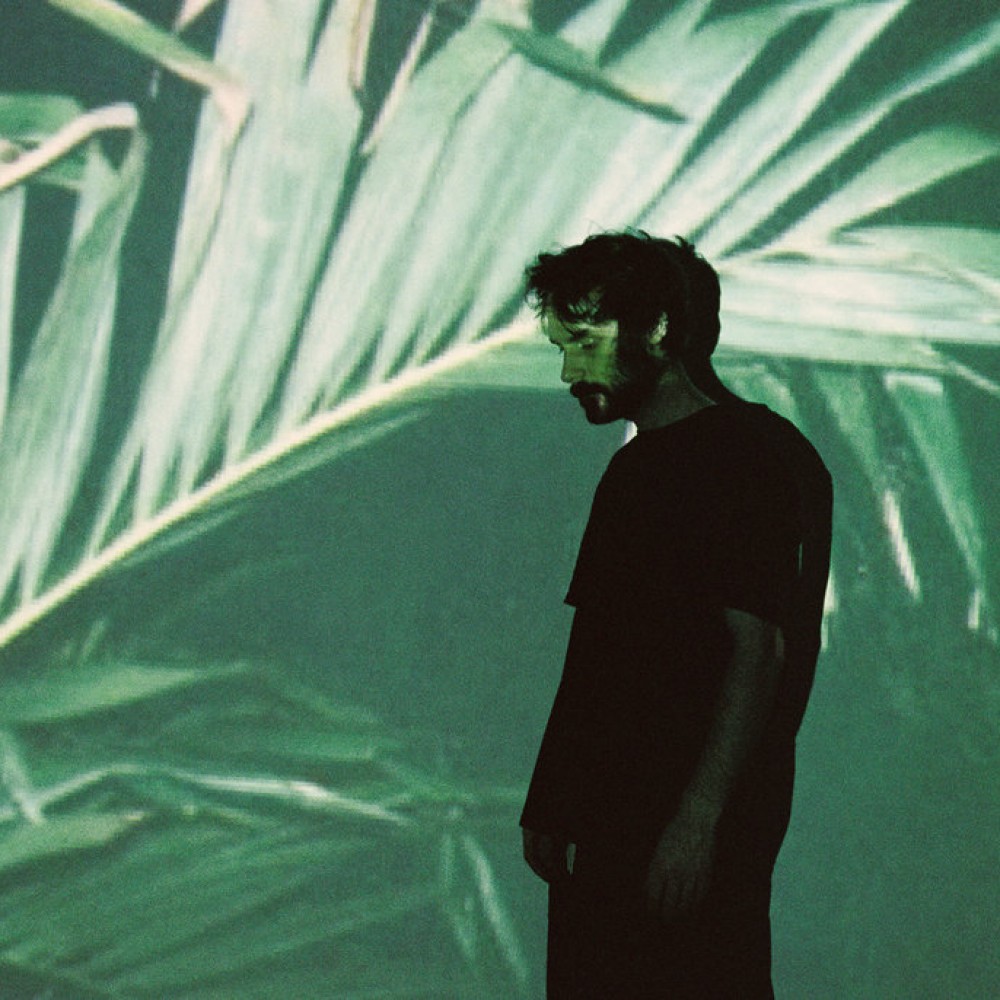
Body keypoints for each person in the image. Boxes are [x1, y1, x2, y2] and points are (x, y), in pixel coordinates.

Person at [519, 231, 832, 998]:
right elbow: (597, 650)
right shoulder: (637, 469)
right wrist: (553, 799)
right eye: (564, 347)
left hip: (682, 825)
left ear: (657, 328)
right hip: (619, 822)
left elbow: (758, 651)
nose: (570, 372)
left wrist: (698, 820)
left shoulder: (747, 455)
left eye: (585, 343)